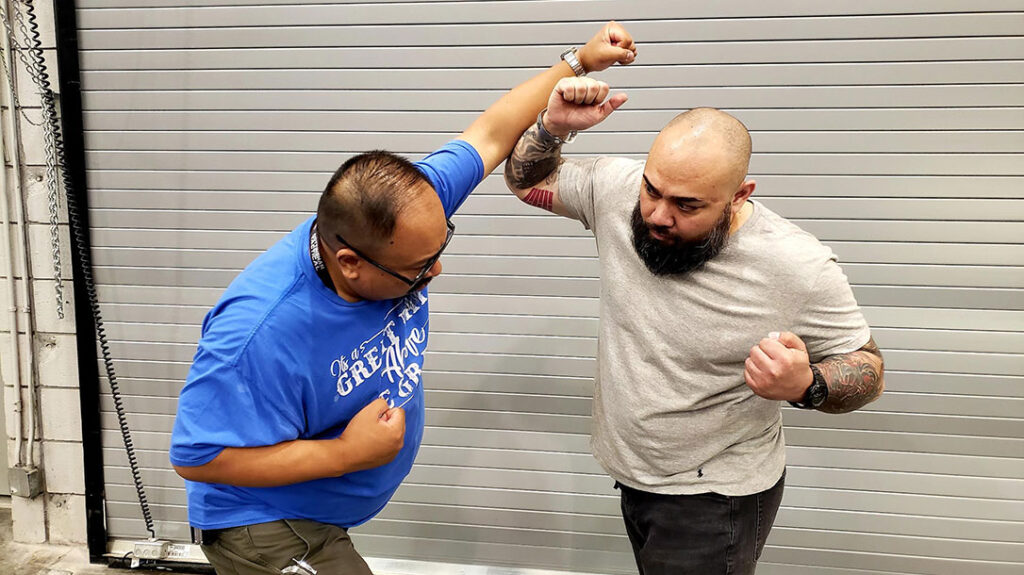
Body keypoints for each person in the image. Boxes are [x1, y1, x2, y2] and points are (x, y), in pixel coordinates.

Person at [169, 24, 637, 575]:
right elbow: (198, 457)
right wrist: (346, 455)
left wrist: (579, 63)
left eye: (441, 248)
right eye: (418, 269)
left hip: (321, 508)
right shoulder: (259, 330)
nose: (435, 271)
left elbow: (491, 134)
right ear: (350, 263)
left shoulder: (407, 209)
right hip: (265, 526)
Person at [503, 78, 885, 575]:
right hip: (637, 477)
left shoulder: (796, 264)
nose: (658, 215)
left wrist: (807, 384)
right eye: (653, 190)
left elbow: (869, 368)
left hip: (715, 497)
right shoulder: (617, 190)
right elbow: (524, 179)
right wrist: (552, 129)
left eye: (687, 205)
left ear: (739, 195)